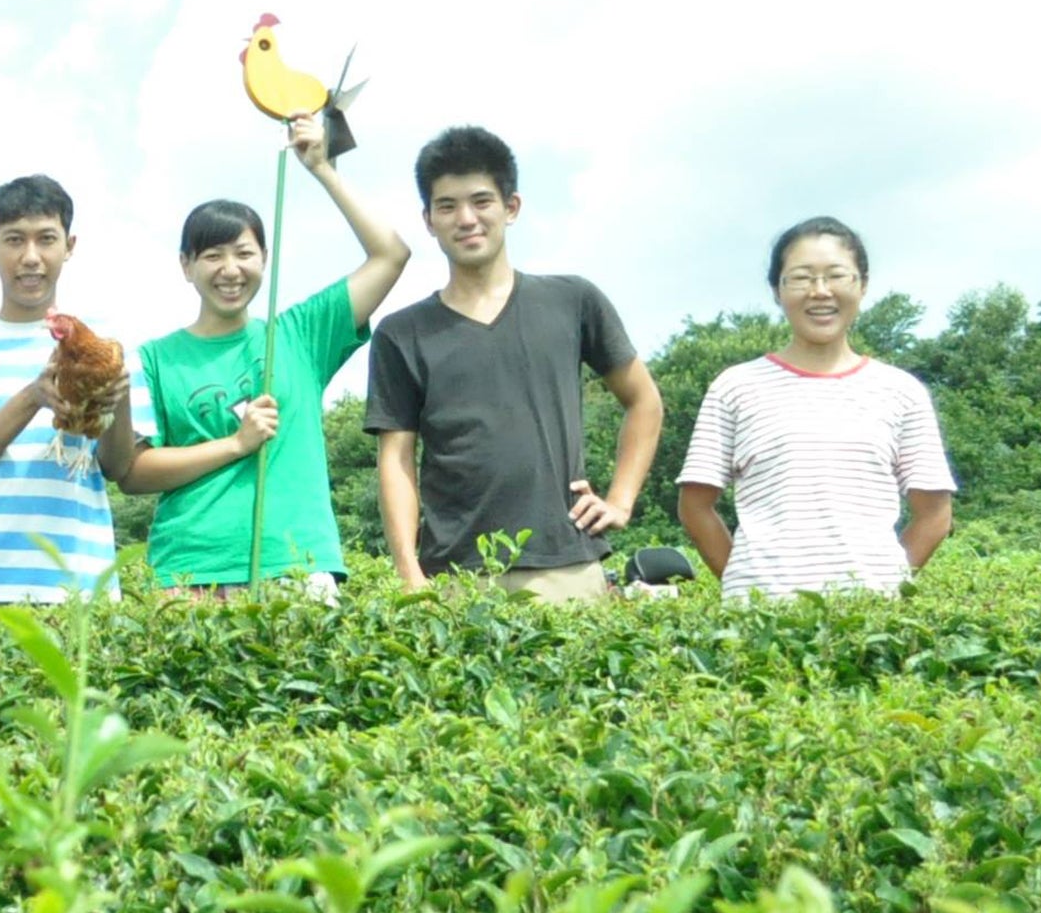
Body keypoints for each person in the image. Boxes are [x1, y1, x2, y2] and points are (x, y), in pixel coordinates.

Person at [363, 126, 662, 598]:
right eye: (447, 206)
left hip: (565, 563)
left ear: (512, 207)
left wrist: (621, 500)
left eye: (481, 201)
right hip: (454, 576)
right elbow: (396, 459)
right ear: (429, 220)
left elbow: (644, 400)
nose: (466, 219)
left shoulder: (573, 301)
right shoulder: (402, 333)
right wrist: (409, 575)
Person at [133, 114, 412, 596]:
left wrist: (322, 168)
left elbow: (390, 255)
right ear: (186, 265)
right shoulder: (154, 358)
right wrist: (236, 444)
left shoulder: (301, 334)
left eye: (244, 253)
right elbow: (133, 473)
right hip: (189, 570)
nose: (230, 269)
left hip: (296, 563)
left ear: (265, 258)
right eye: (212, 256)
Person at [676, 216, 957, 598]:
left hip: (871, 620)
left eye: (836, 276)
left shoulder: (902, 392)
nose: (820, 291)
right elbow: (694, 507)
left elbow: (935, 513)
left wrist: (886, 585)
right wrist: (748, 586)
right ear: (777, 290)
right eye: (801, 278)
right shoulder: (735, 387)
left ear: (863, 284)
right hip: (761, 621)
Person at [0, 174, 144, 603]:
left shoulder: (111, 344)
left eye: (46, 239)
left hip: (80, 584)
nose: (31, 257)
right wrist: (33, 397)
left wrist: (118, 398)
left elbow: (118, 467)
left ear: (69, 245)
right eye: (14, 240)